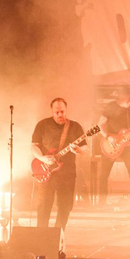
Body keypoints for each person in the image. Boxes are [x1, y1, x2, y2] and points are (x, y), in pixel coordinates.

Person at [31, 97, 87, 229]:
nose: (60, 114)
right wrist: (43, 158)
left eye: (62, 111)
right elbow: (33, 146)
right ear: (52, 111)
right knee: (44, 206)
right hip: (46, 172)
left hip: (67, 174)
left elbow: (84, 147)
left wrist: (78, 150)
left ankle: (59, 235)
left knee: (65, 206)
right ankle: (41, 235)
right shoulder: (42, 125)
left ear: (66, 110)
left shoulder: (75, 127)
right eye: (57, 112)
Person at [97, 86, 130, 205]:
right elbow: (100, 124)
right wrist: (108, 137)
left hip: (126, 144)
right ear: (121, 98)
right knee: (104, 175)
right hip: (111, 144)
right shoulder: (110, 107)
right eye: (127, 100)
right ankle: (102, 203)